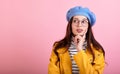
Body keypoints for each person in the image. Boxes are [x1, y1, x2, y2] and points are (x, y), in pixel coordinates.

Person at [48, 6, 105, 74]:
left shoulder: (97, 50)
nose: (79, 25)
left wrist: (79, 50)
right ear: (70, 25)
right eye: (75, 21)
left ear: (88, 26)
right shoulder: (58, 47)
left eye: (83, 21)